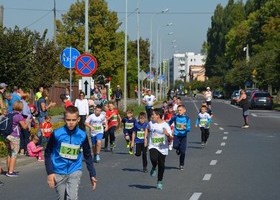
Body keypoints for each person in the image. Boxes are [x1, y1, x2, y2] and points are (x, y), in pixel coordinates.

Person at [45, 106, 97, 199]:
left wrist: (92, 174)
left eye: (73, 120)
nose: (71, 123)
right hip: (58, 171)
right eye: (68, 120)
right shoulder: (57, 134)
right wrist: (50, 173)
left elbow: (87, 155)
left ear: (78, 119)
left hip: (74, 170)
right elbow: (47, 153)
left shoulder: (82, 135)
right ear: (64, 119)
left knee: (72, 198)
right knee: (61, 198)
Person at [144, 108, 172, 190]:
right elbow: (147, 128)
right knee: (153, 158)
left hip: (163, 147)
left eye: (153, 115)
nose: (151, 116)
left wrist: (167, 134)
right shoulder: (151, 123)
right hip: (153, 145)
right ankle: (153, 167)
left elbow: (171, 137)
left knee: (161, 165)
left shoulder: (165, 125)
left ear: (158, 116)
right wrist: (145, 138)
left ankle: (159, 181)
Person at [5, 101, 30, 177]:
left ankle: (9, 169)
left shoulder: (10, 113)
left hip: (7, 136)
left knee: (9, 153)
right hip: (14, 136)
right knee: (14, 154)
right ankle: (11, 172)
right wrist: (28, 121)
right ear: (21, 107)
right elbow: (24, 127)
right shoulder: (19, 116)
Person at [168, 105, 191, 170]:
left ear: (184, 110)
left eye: (180, 110)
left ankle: (181, 164)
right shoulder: (175, 117)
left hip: (183, 136)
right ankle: (178, 149)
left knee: (183, 152)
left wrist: (185, 128)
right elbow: (169, 123)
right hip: (176, 135)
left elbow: (189, 128)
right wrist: (167, 128)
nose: (179, 111)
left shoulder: (187, 118)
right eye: (178, 110)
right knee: (175, 146)